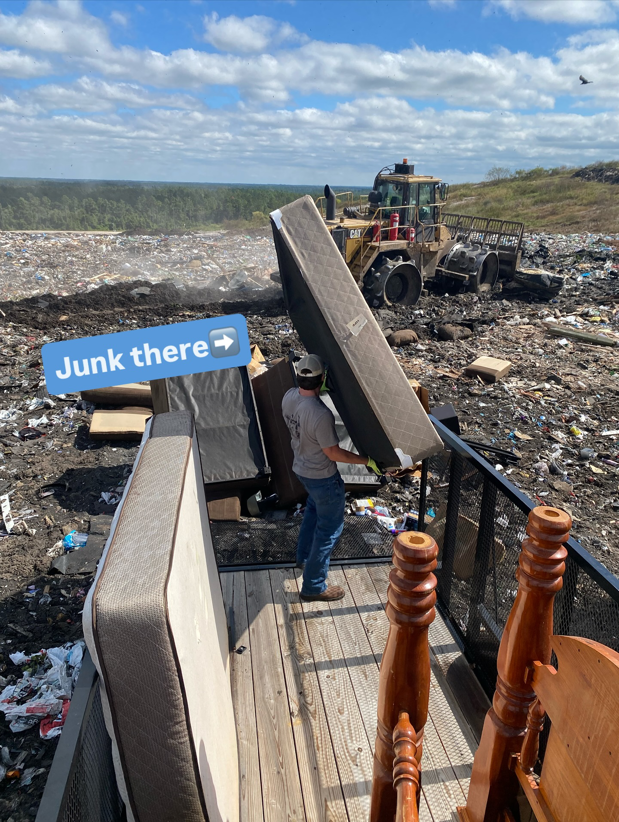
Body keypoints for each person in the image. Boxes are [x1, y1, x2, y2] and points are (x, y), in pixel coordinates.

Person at [282, 354, 381, 602]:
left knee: (313, 512)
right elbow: (333, 453)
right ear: (322, 379)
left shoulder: (289, 397)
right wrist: (366, 460)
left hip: (302, 469)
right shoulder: (320, 414)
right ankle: (314, 586)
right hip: (323, 477)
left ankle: (304, 558)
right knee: (329, 531)